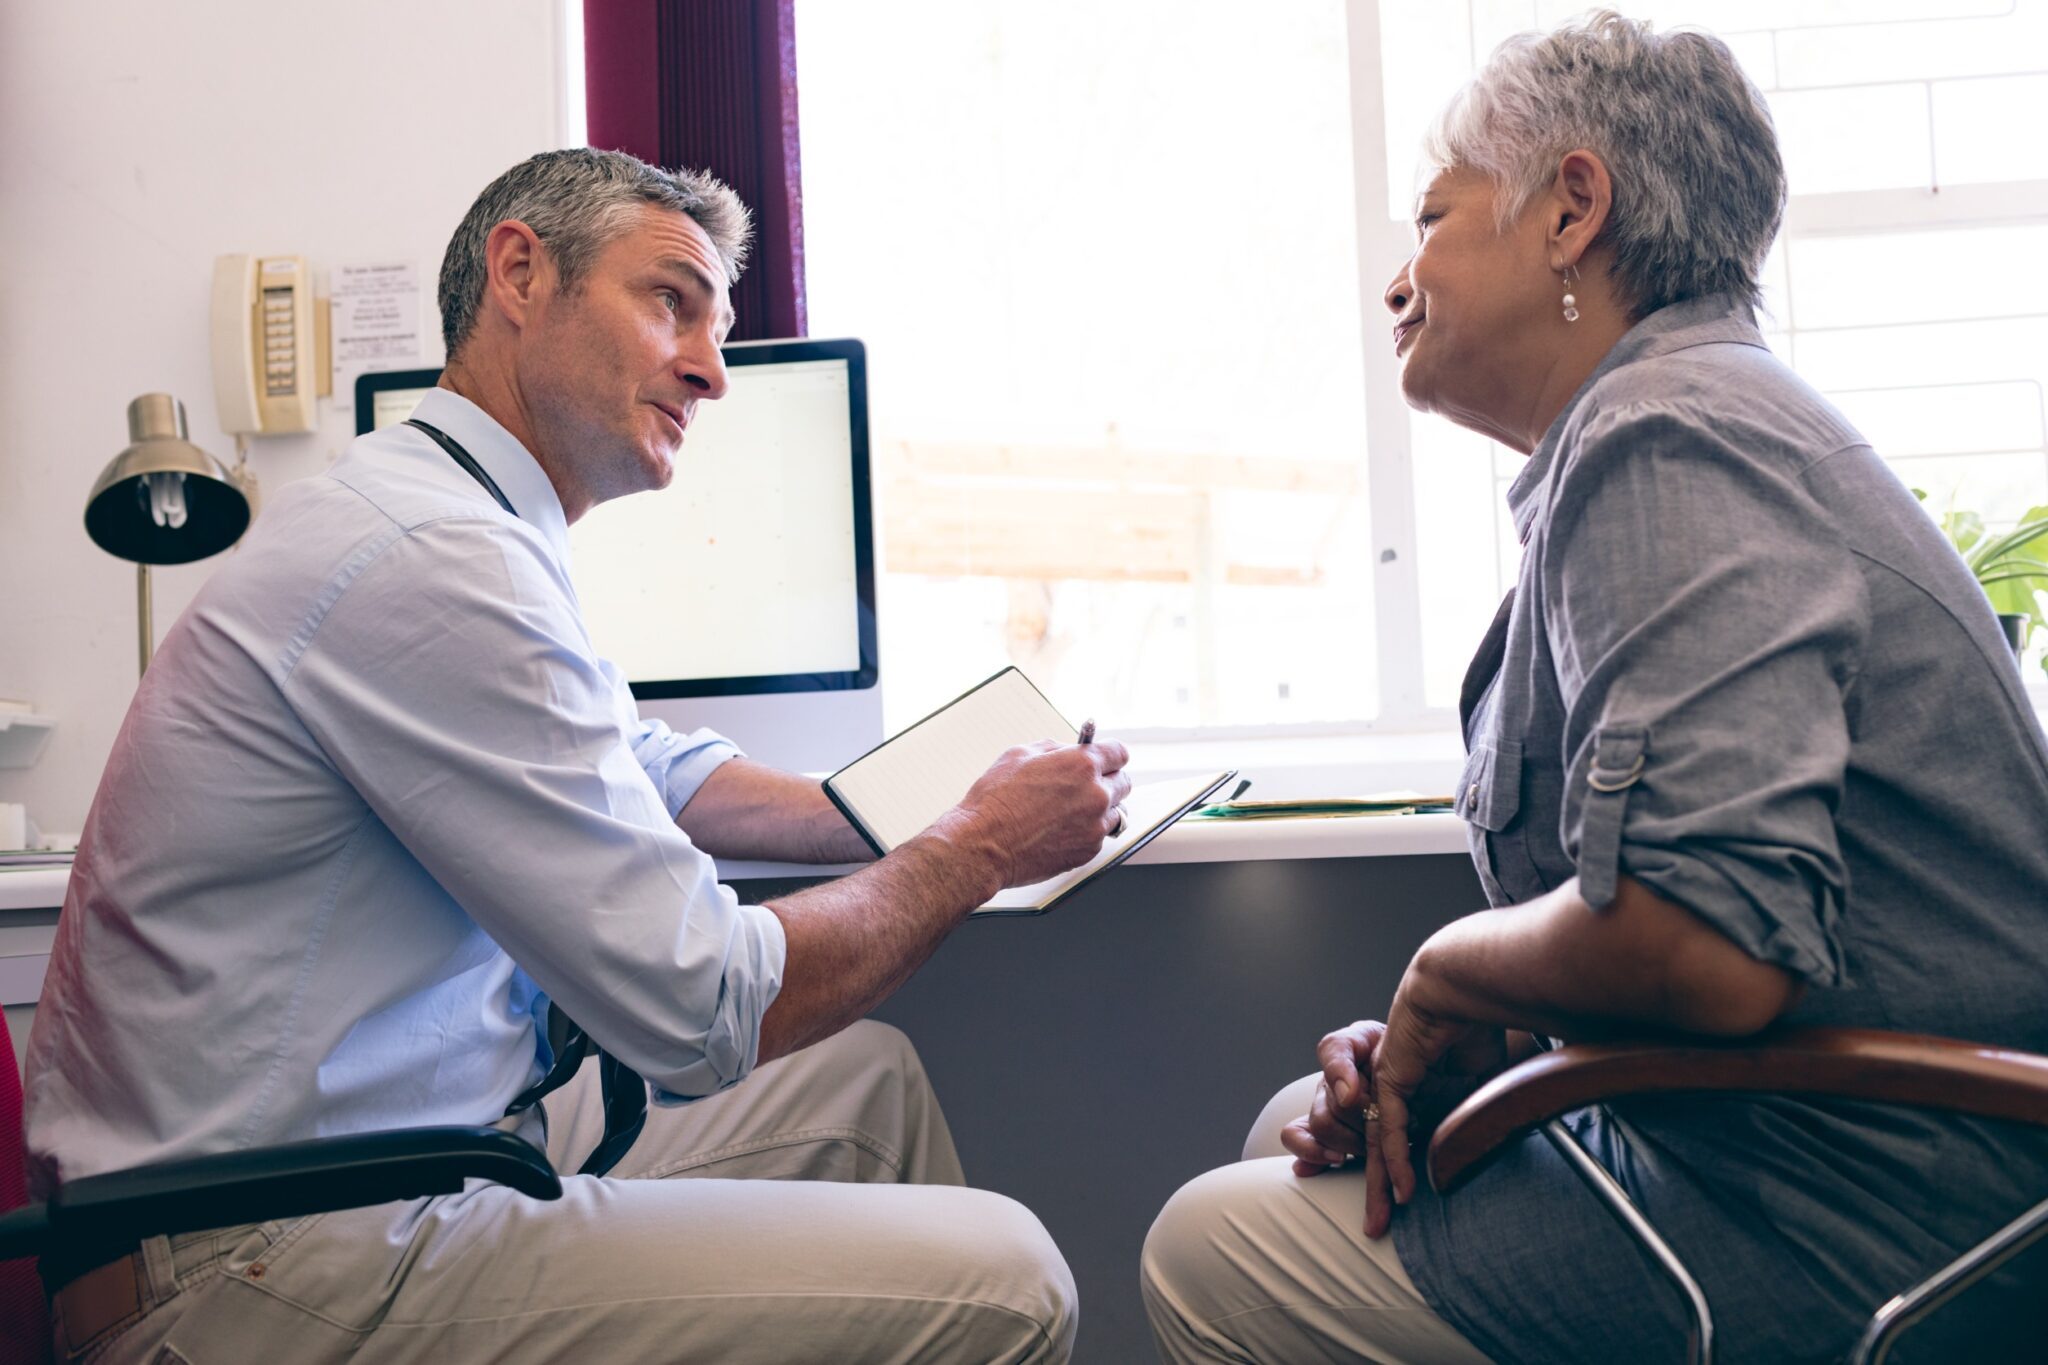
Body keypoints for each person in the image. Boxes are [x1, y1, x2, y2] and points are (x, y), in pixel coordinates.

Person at [25, 147, 1130, 1363]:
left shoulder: (445, 514)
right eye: (671, 302)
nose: (711, 370)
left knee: (864, 1090)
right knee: (1011, 1280)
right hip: (259, 1259)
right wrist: (974, 846)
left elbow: (630, 757)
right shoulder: (426, 554)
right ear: (519, 271)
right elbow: (706, 1008)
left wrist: (874, 806)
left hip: (375, 1171)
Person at [1141, 12, 2048, 1363]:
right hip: (1825, 1144)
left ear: (1572, 210)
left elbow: (1705, 941)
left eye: (1436, 216)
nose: (1402, 279)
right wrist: (1489, 1024)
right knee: (1298, 1135)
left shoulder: (1668, 432)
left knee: (1206, 1248)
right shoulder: (1691, 421)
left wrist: (1449, 971)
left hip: (1859, 1212)